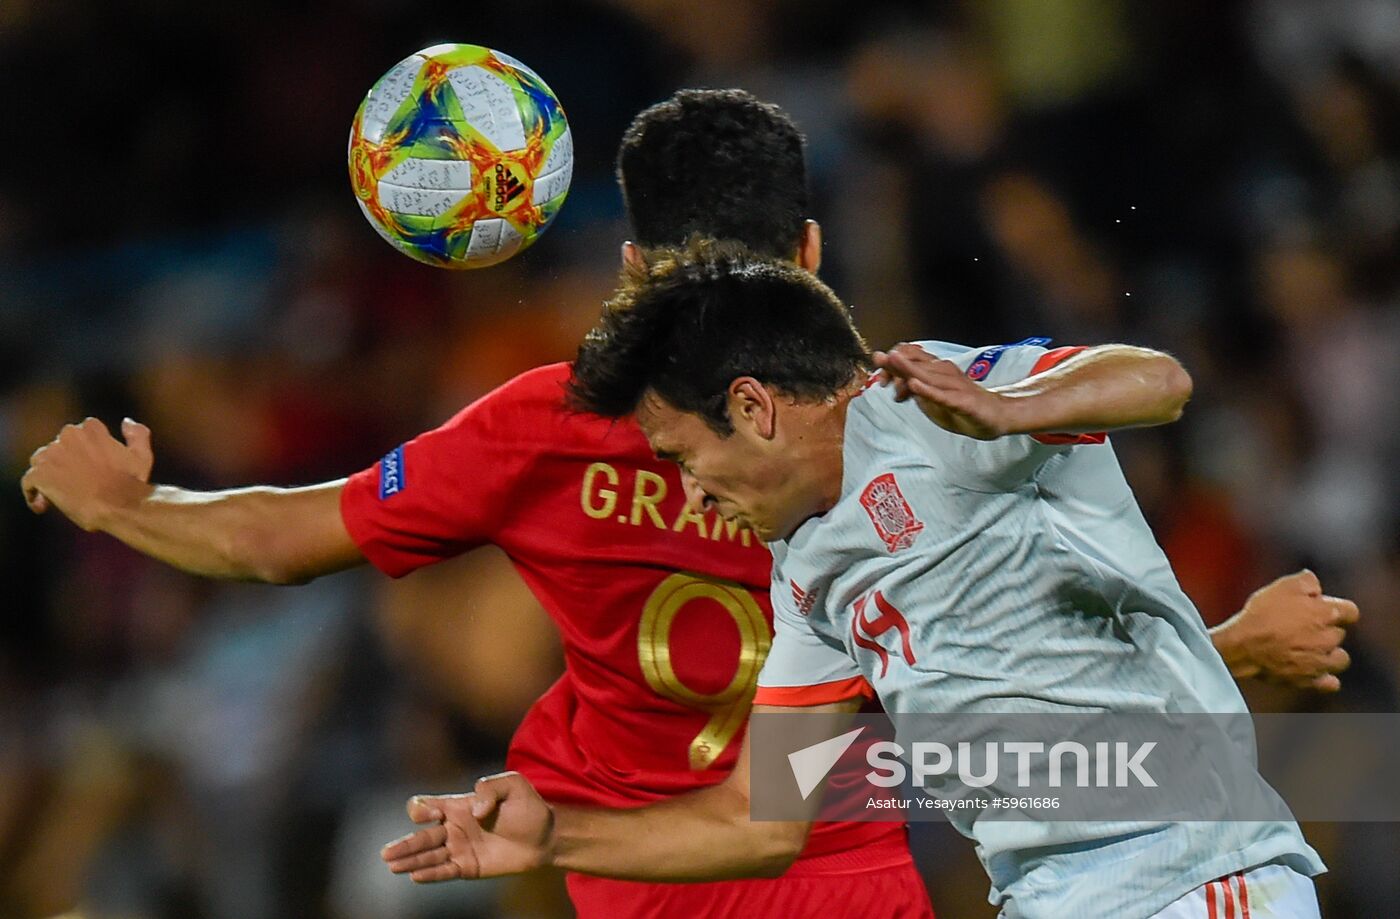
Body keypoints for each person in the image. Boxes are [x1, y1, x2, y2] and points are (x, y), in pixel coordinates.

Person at [23, 92, 1352, 918]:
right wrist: (1225, 645)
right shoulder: (846, 484)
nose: (688, 474)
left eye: (693, 441)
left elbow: (281, 538)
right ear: (815, 264)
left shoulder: (901, 414)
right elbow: (947, 708)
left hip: (754, 856)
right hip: (802, 851)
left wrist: (125, 509)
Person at [380, 241, 1333, 918]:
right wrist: (559, 839)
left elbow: (1159, 378)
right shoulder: (805, 568)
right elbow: (758, 823)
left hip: (1192, 874)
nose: (687, 489)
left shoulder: (933, 404)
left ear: (751, 407)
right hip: (1051, 894)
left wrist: (1017, 410)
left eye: (679, 454)